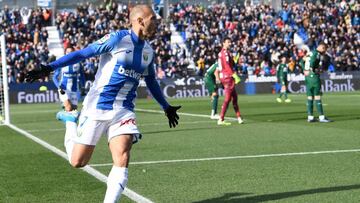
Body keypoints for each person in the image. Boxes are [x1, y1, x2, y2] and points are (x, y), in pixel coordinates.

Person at [25, 5, 181, 203]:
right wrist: (49, 67)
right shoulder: (117, 39)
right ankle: (70, 121)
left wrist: (166, 107)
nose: (157, 23)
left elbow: (150, 80)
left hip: (124, 110)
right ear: (140, 20)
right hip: (98, 105)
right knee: (77, 162)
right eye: (153, 19)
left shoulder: (148, 51)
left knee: (122, 156)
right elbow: (83, 54)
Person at [215, 37, 243, 126]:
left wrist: (235, 59)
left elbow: (230, 63)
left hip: (225, 76)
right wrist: (234, 75)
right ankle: (221, 118)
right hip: (227, 77)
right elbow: (227, 66)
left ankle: (239, 117)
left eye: (230, 42)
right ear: (223, 43)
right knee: (228, 99)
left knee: (234, 97)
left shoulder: (225, 53)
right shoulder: (225, 53)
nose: (230, 43)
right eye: (228, 42)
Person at [303, 43, 331, 123]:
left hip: (307, 77)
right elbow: (312, 62)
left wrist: (305, 70)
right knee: (317, 96)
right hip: (314, 77)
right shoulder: (317, 54)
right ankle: (322, 117)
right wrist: (315, 70)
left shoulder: (309, 53)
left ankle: (310, 117)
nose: (325, 52)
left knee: (310, 97)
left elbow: (302, 61)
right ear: (322, 48)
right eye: (325, 49)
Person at [52, 47, 85, 112]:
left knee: (74, 110)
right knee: (69, 108)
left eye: (71, 52)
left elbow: (82, 76)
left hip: (74, 89)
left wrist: (83, 86)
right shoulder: (62, 63)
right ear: (65, 53)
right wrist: (59, 87)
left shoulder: (78, 63)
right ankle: (61, 114)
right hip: (64, 89)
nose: (69, 54)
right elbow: (54, 77)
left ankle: (64, 114)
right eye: (68, 52)